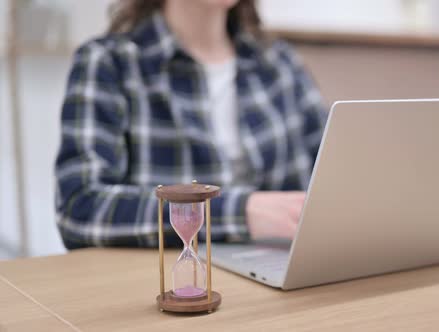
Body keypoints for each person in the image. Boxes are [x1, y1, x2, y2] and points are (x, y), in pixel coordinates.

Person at [54, 0, 327, 249]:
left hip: (281, 266)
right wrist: (242, 212)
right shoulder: (109, 63)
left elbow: (333, 173)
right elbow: (79, 209)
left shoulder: (280, 62)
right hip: (162, 282)